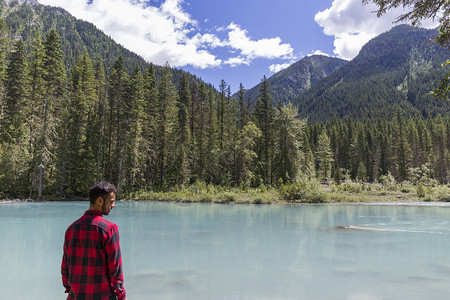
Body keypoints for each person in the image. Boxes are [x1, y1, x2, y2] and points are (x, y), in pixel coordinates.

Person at [61, 181, 127, 300]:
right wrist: (121, 296)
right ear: (100, 201)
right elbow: (115, 269)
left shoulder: (71, 229)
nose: (113, 205)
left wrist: (71, 290)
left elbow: (65, 267)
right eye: (111, 202)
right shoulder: (109, 229)